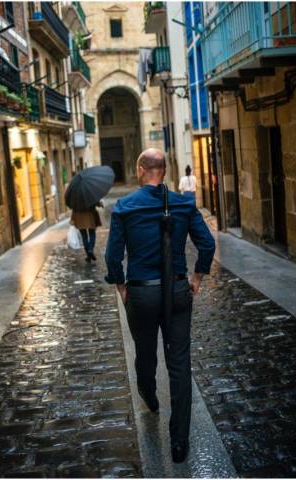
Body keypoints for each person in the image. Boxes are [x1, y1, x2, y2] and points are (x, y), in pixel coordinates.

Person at [104, 148, 215, 463]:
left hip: (142, 292)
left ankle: (150, 396)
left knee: (145, 351)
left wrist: (122, 285)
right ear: (164, 171)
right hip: (178, 290)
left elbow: (113, 256)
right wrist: (196, 279)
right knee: (179, 364)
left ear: (141, 170)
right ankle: (179, 442)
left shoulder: (125, 207)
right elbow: (206, 243)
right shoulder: (182, 203)